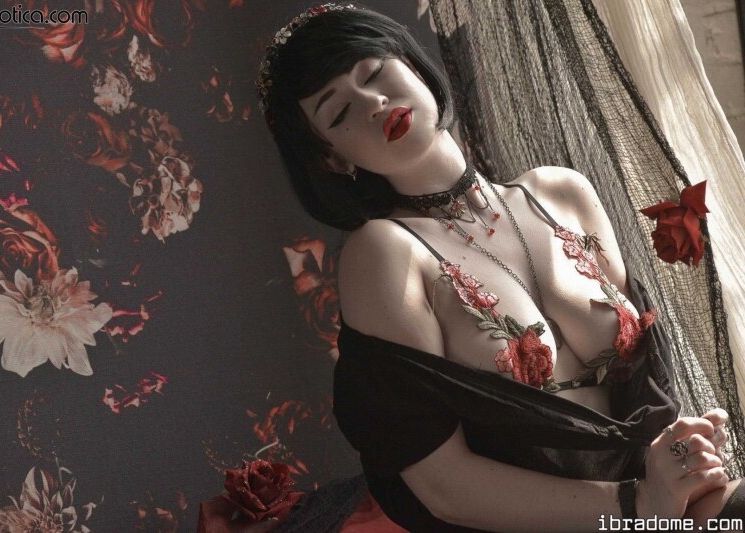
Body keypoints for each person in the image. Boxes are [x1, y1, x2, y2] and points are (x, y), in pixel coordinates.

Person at [257, 3, 745, 531]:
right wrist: (636, 506)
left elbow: (645, 394)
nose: (373, 102)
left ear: (412, 65)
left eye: (374, 72)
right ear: (332, 158)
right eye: (338, 113)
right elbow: (443, 486)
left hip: (658, 502)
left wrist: (681, 454)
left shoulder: (562, 192)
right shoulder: (385, 253)